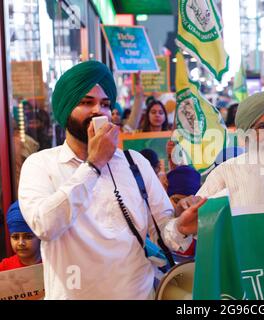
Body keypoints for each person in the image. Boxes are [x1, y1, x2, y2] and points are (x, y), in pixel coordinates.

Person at [18, 61, 202, 299]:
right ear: (65, 109)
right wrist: (94, 165)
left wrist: (180, 226)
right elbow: (44, 226)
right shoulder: (41, 165)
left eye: (105, 104)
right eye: (86, 102)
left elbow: (163, 230)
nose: (98, 111)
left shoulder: (134, 162)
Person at [0, 201, 41, 272]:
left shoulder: (52, 264)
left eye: (28, 237)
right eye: (15, 237)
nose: (21, 243)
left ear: (39, 237)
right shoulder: (4, 268)